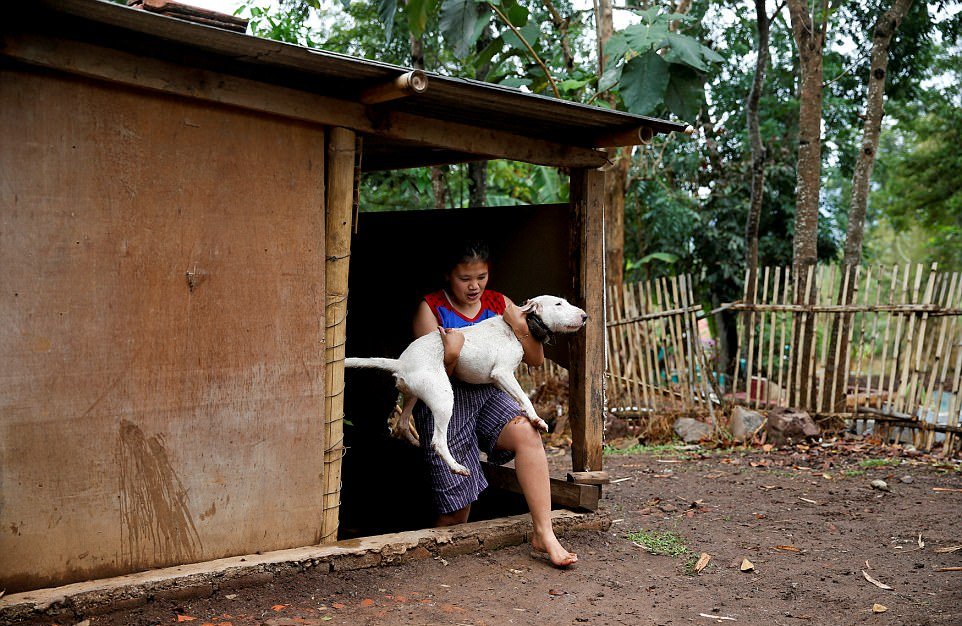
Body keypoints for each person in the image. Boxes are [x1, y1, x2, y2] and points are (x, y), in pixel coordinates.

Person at [397, 240, 578, 567]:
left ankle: (544, 534)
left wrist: (521, 325)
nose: (474, 286)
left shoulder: (500, 304)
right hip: (445, 398)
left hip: (491, 393)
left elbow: (535, 359)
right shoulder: (431, 309)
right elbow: (428, 375)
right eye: (465, 278)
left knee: (528, 434)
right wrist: (450, 356)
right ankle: (431, 562)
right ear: (449, 275)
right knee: (456, 512)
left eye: (481, 276)